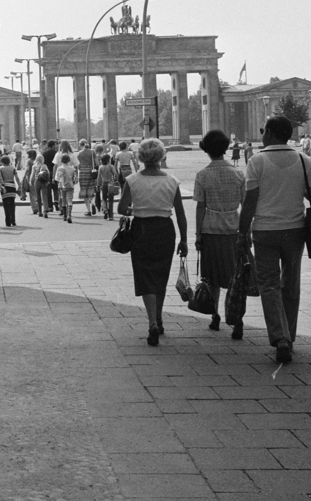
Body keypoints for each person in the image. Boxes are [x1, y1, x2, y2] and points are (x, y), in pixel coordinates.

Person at [239, 116, 311, 364]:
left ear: (271, 134)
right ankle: (290, 335)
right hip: (295, 229)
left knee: (269, 284)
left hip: (264, 231)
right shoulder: (303, 159)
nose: (262, 134)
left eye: (264, 130)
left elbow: (250, 203)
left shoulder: (257, 161)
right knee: (291, 282)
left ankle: (280, 337)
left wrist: (242, 233)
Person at [118, 138, 190, 346]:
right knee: (160, 274)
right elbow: (181, 214)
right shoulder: (172, 181)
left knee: (145, 275)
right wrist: (184, 240)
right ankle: (159, 316)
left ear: (140, 157)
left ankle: (152, 322)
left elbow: (122, 209)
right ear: (161, 156)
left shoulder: (132, 180)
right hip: (165, 230)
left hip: (141, 229)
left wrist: (138, 209)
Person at [194, 130, 246, 338]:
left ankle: (215, 315)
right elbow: (245, 204)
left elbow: (200, 207)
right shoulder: (238, 174)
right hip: (234, 228)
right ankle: (237, 320)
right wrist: (246, 231)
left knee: (212, 277)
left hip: (210, 229)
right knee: (236, 277)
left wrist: (197, 235)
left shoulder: (203, 175)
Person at [0, 152, 20, 227]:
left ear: (2, 162)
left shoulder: (0, 169)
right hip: (12, 187)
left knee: (6, 205)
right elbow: (17, 178)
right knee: (12, 204)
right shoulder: (13, 168)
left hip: (4, 187)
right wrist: (20, 186)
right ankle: (13, 221)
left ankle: (8, 222)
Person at [53, 151, 77, 223]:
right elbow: (74, 178)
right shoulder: (72, 168)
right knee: (69, 200)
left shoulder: (60, 168)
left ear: (61, 160)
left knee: (63, 199)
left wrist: (62, 184)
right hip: (70, 185)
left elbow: (58, 178)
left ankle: (65, 215)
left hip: (62, 186)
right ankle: (69, 214)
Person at [76, 139, 97, 216]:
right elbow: (96, 162)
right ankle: (93, 203)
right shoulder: (92, 152)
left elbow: (78, 165)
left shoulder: (79, 153)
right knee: (91, 189)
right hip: (91, 172)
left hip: (82, 172)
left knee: (84, 191)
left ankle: (88, 210)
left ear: (80, 145)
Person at [96, 153, 119, 220]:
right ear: (108, 159)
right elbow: (116, 174)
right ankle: (111, 215)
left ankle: (105, 209)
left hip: (104, 183)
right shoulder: (111, 166)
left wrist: (98, 185)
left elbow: (99, 177)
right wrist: (116, 179)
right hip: (110, 183)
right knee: (111, 199)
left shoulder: (101, 167)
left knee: (104, 198)